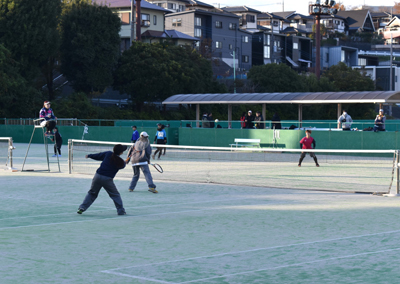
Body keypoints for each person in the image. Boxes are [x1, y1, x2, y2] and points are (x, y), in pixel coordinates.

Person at [77, 144, 128, 215]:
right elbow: (122, 165)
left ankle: (82, 208)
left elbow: (98, 156)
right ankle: (121, 211)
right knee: (115, 195)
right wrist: (126, 161)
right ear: (121, 153)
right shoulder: (121, 162)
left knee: (92, 193)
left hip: (97, 176)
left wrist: (89, 155)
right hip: (107, 179)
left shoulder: (108, 154)